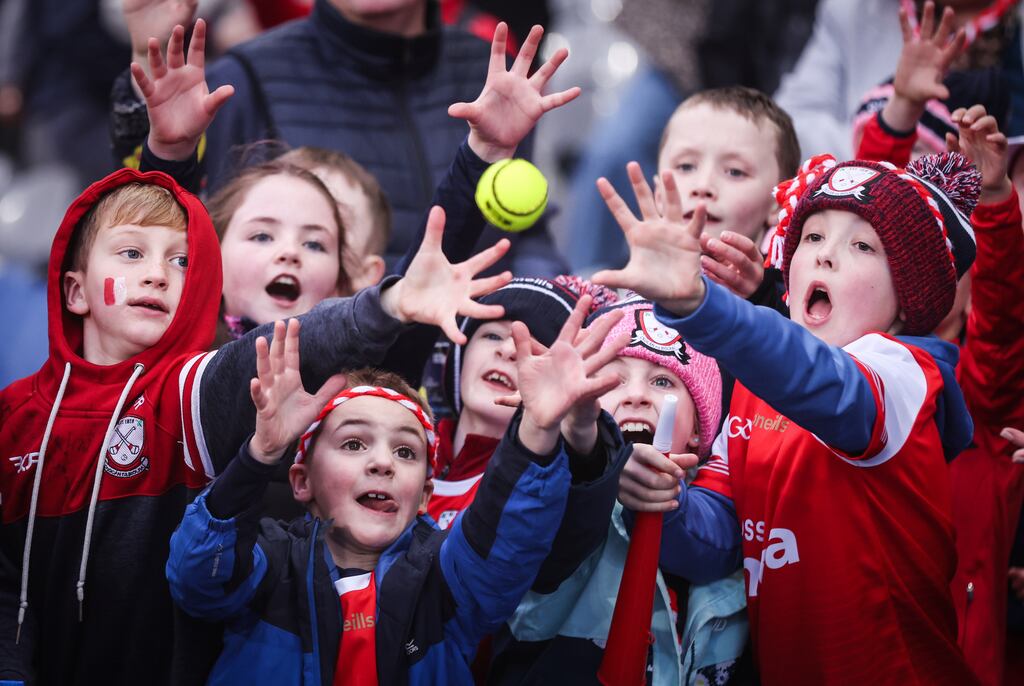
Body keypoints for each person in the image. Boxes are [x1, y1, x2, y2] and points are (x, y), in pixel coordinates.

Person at [0, 159, 514, 684]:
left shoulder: (189, 391)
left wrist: (390, 303)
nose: (157, 273)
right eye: (133, 254)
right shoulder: (13, 417)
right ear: (75, 291)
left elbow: (270, 353)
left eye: (181, 262)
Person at [592, 143, 983, 682]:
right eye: (813, 237)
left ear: (907, 298)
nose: (823, 255)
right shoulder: (758, 388)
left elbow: (817, 378)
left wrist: (700, 306)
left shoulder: (905, 375)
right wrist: (665, 503)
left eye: (863, 247)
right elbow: (718, 541)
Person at [165, 295, 627, 684]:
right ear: (301, 480)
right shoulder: (266, 564)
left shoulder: (448, 584)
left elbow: (508, 535)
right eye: (352, 443)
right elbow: (197, 578)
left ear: (425, 495)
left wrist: (537, 428)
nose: (382, 462)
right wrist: (259, 455)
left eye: (406, 452)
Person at [111, 0, 569, 276]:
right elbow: (162, 243)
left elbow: (519, 234)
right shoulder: (243, 79)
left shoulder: (490, 70)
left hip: (467, 391)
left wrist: (555, 307)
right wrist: (149, 107)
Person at [852, 16, 1024, 682]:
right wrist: (898, 112)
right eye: (908, 251)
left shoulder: (978, 389)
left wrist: (995, 199)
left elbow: (1006, 314)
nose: (930, 265)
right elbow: (861, 215)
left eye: (953, 253)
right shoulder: (842, 368)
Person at [488, 296, 747, 686]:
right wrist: (587, 454)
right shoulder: (553, 490)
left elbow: (710, 542)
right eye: (614, 378)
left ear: (698, 430)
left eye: (662, 381)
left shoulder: (728, 511)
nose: (637, 396)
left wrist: (666, 499)